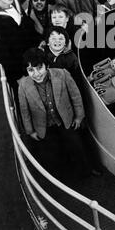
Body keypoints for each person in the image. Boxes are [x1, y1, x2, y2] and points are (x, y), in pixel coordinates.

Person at [18, 47, 92, 179]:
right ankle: (61, 178)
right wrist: (30, 131)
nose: (36, 73)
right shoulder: (23, 85)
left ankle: (85, 172)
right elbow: (25, 111)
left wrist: (79, 117)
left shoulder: (62, 74)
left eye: (39, 68)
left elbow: (76, 97)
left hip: (66, 121)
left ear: (46, 65)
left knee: (77, 147)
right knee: (52, 156)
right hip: (44, 127)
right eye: (31, 70)